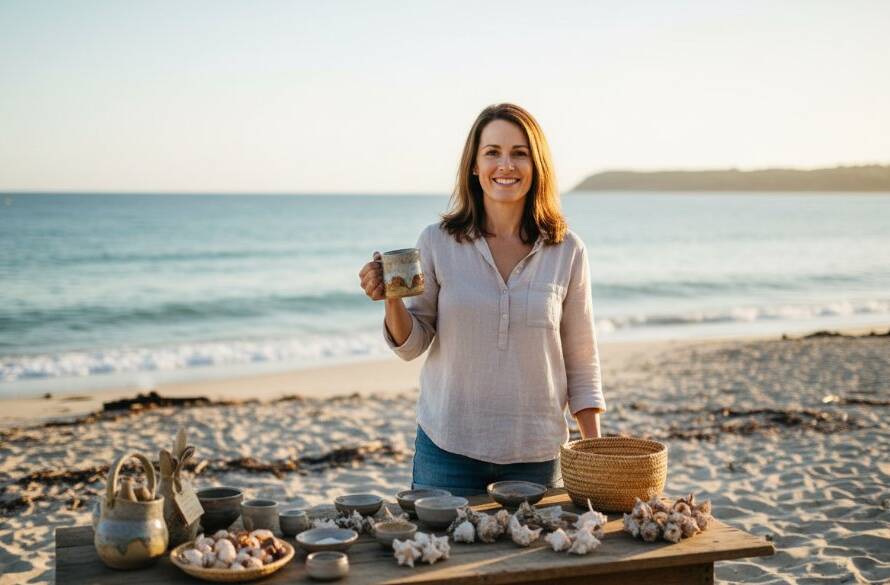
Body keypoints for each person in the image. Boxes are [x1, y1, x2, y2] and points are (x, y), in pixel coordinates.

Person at [358, 103, 605, 496]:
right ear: (474, 165)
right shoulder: (437, 241)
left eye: (519, 153)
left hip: (536, 452)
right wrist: (391, 300)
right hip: (447, 447)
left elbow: (581, 359)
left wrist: (593, 449)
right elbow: (413, 345)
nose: (505, 165)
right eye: (492, 153)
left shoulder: (567, 250)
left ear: (536, 164)